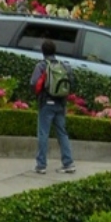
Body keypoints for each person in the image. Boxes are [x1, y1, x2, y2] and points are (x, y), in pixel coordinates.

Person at [30, 39, 76, 175]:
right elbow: (72, 82)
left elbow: (33, 84)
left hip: (46, 103)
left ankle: (41, 165)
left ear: (43, 52)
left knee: (43, 133)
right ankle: (68, 163)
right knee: (62, 133)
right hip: (61, 103)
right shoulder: (64, 65)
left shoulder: (42, 66)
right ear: (55, 51)